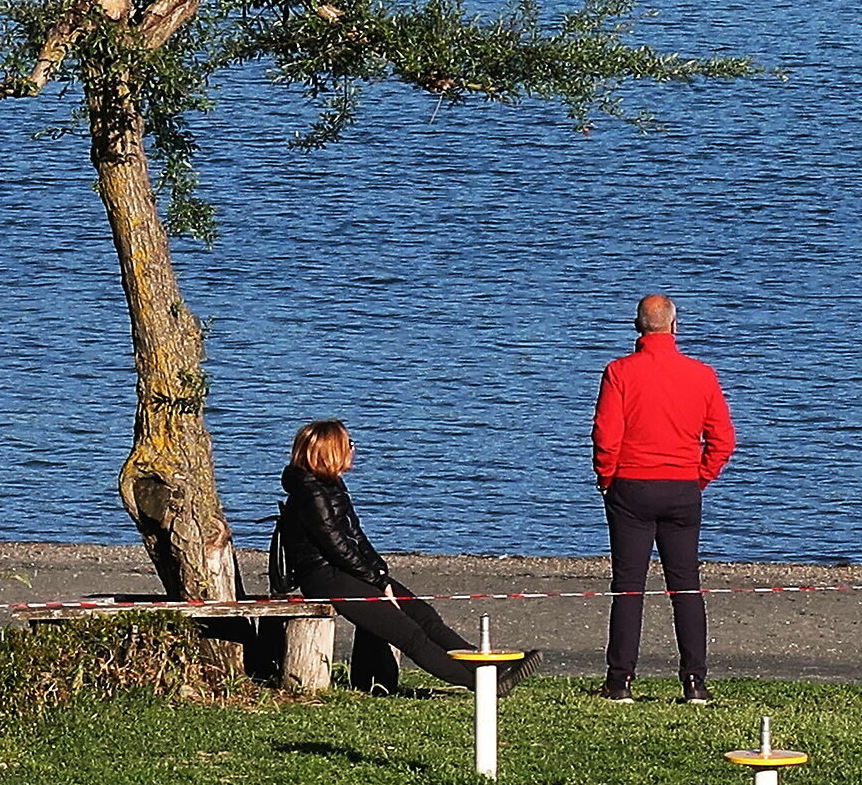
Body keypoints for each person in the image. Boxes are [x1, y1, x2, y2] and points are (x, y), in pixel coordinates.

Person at [277, 419, 539, 696]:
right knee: (409, 634)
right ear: (331, 451)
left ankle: (485, 666)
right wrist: (376, 581)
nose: (353, 450)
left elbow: (356, 536)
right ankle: (484, 685)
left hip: (348, 571)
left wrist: (380, 573)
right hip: (325, 576)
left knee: (424, 616)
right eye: (349, 445)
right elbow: (337, 547)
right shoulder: (310, 493)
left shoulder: (333, 486)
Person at [594, 292, 735, 705]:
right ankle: (695, 682)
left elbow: (606, 437)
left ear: (638, 327)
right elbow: (724, 440)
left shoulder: (620, 372)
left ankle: (620, 681)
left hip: (632, 486)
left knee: (628, 587)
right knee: (686, 586)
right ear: (675, 326)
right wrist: (699, 478)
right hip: (681, 489)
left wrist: (607, 479)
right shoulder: (701, 374)